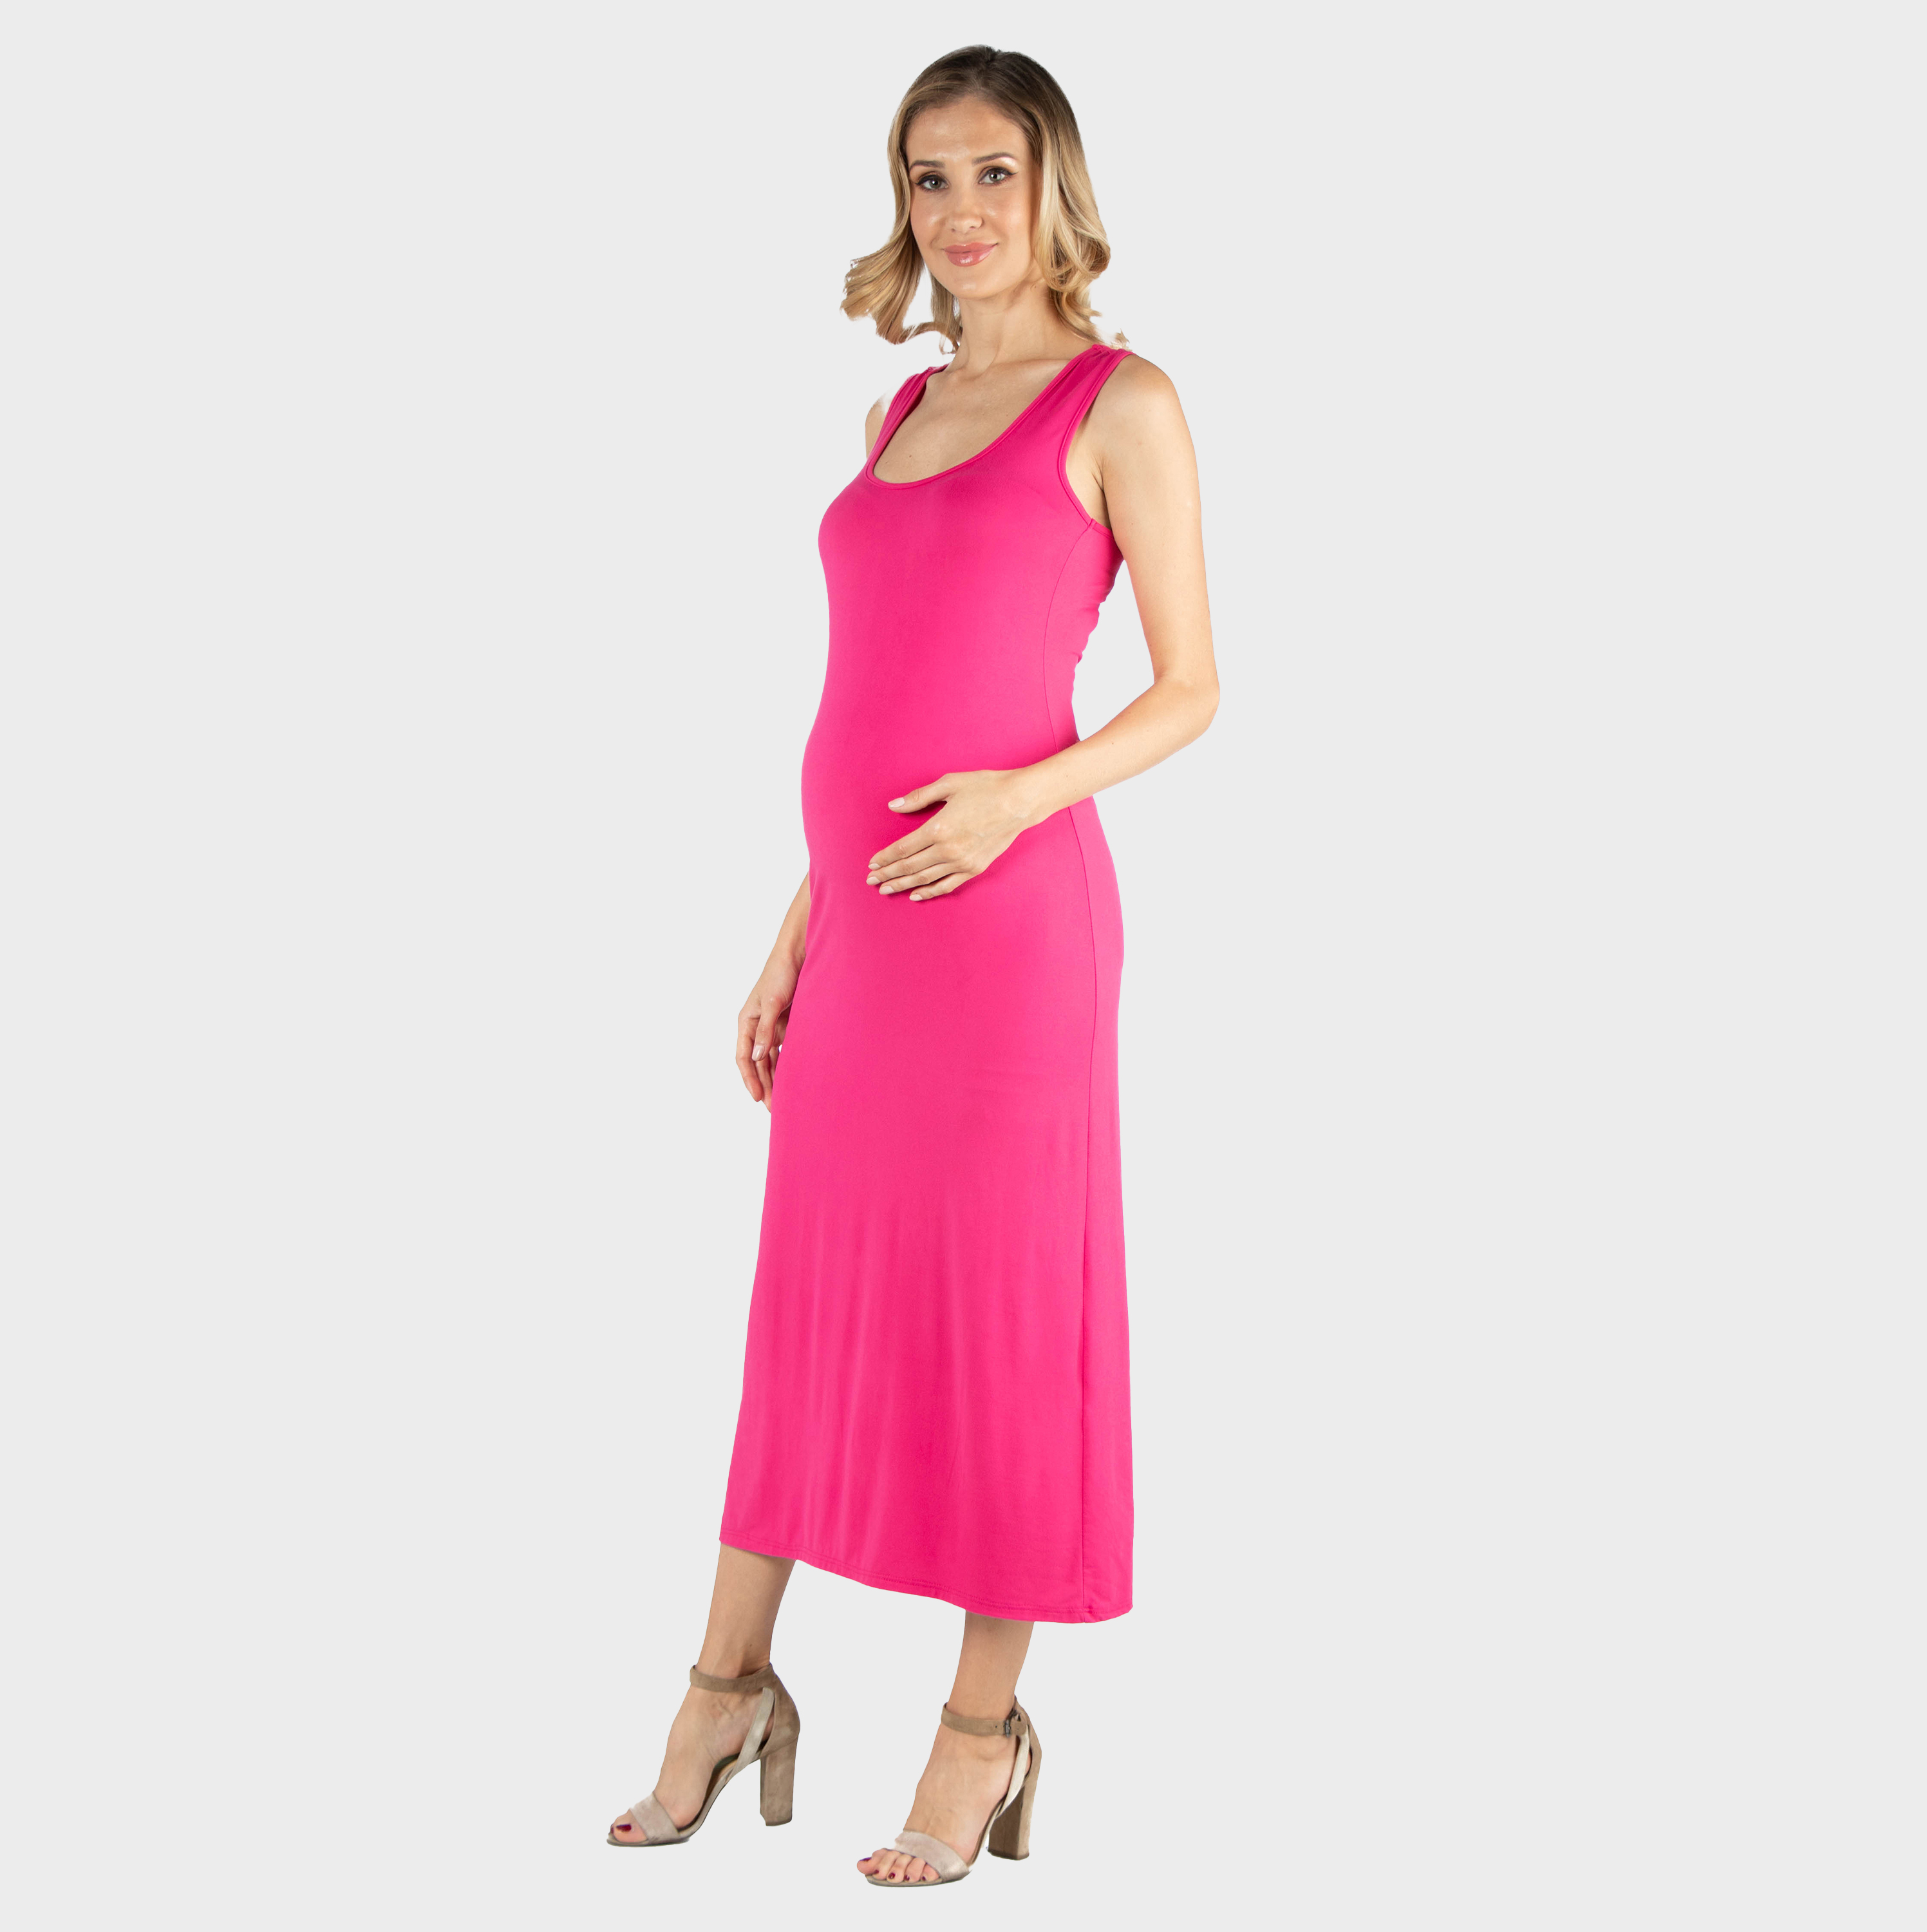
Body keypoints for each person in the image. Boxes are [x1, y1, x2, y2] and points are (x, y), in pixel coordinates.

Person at [606, 44, 1217, 1886]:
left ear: (1056, 188)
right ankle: (728, 1688)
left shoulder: (1122, 400)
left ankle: (979, 1732)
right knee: (808, 1301)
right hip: (863, 929)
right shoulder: (895, 412)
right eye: (930, 178)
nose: (961, 212)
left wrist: (1020, 798)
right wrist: (797, 930)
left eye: (994, 175)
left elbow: (1192, 688)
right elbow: (869, 698)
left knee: (1005, 1312)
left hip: (1015, 933)